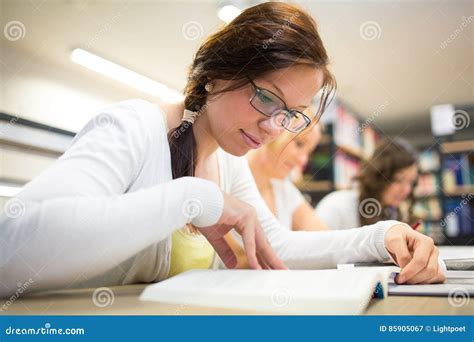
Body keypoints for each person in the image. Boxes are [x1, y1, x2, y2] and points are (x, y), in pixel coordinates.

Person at [0, 2, 444, 298]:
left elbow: (278, 246)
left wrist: (381, 236)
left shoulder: (228, 162)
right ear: (214, 74)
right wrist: (196, 198)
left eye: (291, 113)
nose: (274, 128)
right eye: (267, 98)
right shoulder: (134, 126)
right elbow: (10, 249)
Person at [317, 138, 419, 230]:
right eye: (398, 180)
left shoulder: (390, 212)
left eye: (411, 182)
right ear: (378, 175)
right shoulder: (338, 206)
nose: (406, 190)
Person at [248, 123, 328, 231]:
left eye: (309, 152)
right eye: (299, 144)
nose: (303, 160)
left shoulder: (283, 190)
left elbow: (323, 235)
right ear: (273, 131)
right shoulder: (227, 175)